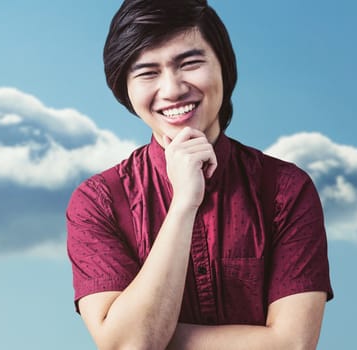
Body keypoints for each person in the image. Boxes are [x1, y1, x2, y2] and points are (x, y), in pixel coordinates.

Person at [66, 1, 333, 349]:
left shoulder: (285, 190)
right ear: (125, 90)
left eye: (189, 63)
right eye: (147, 72)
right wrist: (183, 204)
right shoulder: (97, 202)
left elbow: (294, 345)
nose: (173, 88)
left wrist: (153, 335)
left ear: (224, 66)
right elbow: (127, 347)